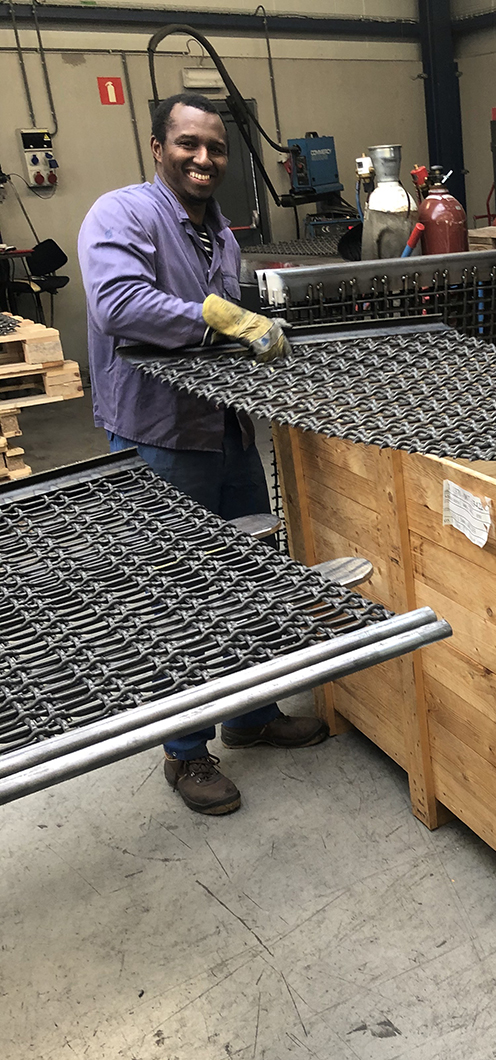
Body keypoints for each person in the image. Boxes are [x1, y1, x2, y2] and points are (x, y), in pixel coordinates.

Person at [78, 93, 328, 817]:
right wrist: (218, 316)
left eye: (215, 148)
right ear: (157, 147)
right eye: (188, 144)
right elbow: (118, 306)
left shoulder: (219, 231)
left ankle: (250, 714)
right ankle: (185, 755)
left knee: (247, 576)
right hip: (158, 433)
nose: (203, 158)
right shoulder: (122, 215)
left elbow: (232, 331)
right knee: (181, 595)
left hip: (223, 428)